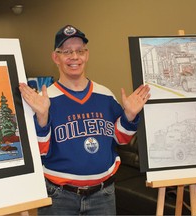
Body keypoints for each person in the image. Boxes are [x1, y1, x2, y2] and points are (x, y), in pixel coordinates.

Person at [19, 24, 150, 215]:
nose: (74, 57)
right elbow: (40, 151)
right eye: (67, 52)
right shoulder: (44, 100)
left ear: (86, 55)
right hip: (59, 197)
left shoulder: (105, 95)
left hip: (103, 195)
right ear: (56, 57)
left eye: (79, 51)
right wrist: (42, 116)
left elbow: (120, 139)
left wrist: (129, 115)